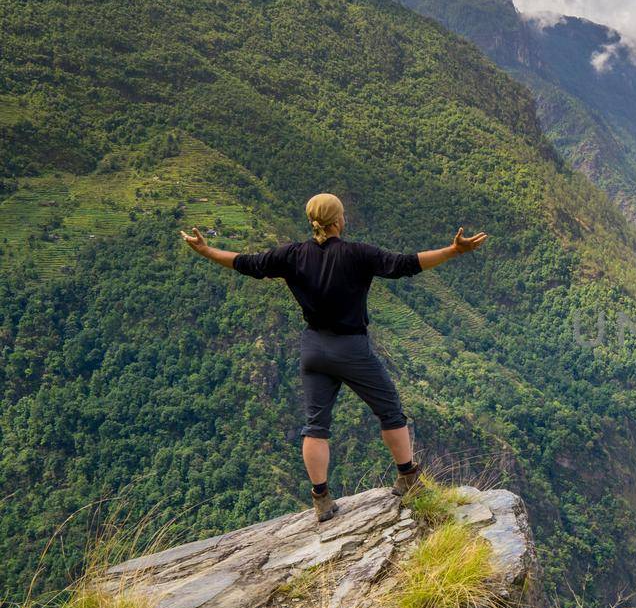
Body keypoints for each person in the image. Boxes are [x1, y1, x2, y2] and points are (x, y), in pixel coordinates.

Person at [182, 193, 487, 520]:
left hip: (313, 348)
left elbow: (246, 263)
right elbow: (405, 264)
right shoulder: (357, 254)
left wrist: (205, 250)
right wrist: (454, 250)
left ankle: (321, 499)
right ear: (339, 220)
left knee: (316, 426)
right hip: (351, 348)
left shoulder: (291, 255)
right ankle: (408, 478)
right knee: (391, 412)